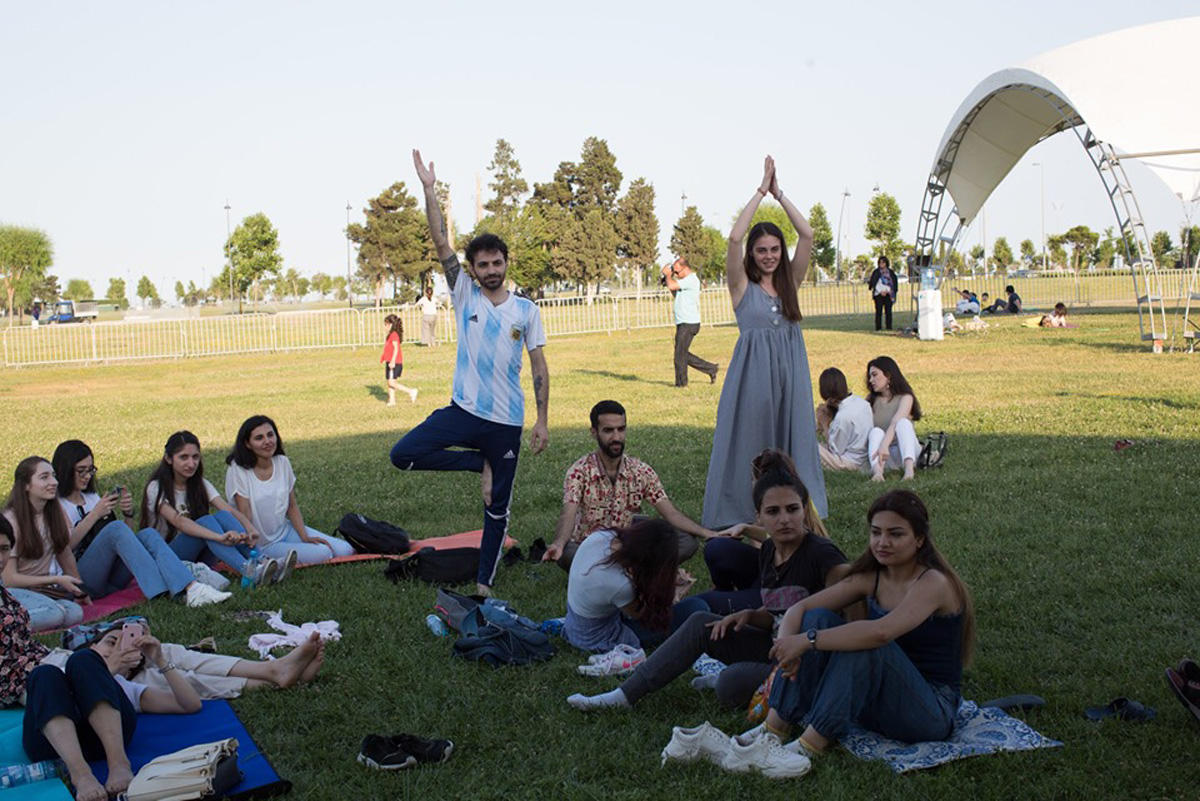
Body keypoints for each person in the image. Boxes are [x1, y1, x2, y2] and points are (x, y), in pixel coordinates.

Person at [567, 455, 847, 712]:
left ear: (803, 510)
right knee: (702, 621)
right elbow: (778, 615)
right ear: (759, 516)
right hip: (773, 645)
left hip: (810, 662)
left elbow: (849, 616)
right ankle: (624, 696)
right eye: (773, 512)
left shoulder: (822, 555)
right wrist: (749, 615)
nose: (785, 519)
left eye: (792, 509)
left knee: (729, 684)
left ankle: (740, 676)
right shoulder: (769, 551)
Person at [393, 150, 550, 597]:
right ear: (474, 271)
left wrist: (541, 420)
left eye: (496, 262)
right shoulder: (465, 295)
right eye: (482, 265)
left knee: (497, 508)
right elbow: (441, 243)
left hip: (506, 423)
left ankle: (484, 584)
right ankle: (475, 463)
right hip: (463, 412)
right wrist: (429, 190)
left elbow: (539, 366)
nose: (490, 270)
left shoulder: (527, 311)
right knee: (403, 453)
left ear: (505, 262)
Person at [743, 490, 974, 765]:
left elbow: (881, 633)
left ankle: (809, 746)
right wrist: (786, 648)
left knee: (866, 640)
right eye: (876, 532)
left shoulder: (934, 583)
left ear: (919, 540)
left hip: (929, 713)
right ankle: (773, 728)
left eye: (896, 534)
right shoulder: (873, 576)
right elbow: (799, 610)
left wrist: (807, 641)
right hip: (878, 701)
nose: (882, 542)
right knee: (818, 617)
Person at [702, 155, 828, 530]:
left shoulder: (791, 281)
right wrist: (760, 192)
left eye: (775, 249)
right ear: (752, 255)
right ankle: (748, 509)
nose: (769, 256)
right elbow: (734, 237)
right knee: (751, 441)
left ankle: (797, 509)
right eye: (762, 251)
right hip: (753, 377)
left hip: (791, 371)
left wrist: (780, 194)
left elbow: (806, 234)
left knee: (795, 438)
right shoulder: (742, 287)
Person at [22, 623, 204, 801]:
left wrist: (159, 659)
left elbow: (190, 704)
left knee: (85, 661)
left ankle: (118, 764)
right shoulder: (63, 669)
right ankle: (81, 774)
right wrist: (107, 667)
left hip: (99, 744)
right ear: (94, 644)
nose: (118, 648)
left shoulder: (126, 687)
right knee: (46, 671)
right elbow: (50, 699)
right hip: (53, 745)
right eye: (111, 641)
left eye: (128, 645)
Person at [543, 400, 718, 571]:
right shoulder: (579, 471)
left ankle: (624, 569)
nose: (616, 437)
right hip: (588, 545)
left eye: (621, 429)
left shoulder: (640, 471)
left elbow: (670, 513)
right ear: (594, 432)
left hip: (627, 540)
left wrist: (708, 533)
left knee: (687, 540)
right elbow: (569, 514)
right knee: (567, 553)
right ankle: (637, 570)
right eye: (608, 431)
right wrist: (558, 544)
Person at [52, 440, 230, 607]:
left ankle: (190, 587)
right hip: (81, 579)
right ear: (65, 470)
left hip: (111, 579)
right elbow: (64, 548)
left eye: (91, 470)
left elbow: (124, 541)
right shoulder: (57, 505)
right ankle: (164, 591)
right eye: (81, 471)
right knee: (116, 528)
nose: (87, 476)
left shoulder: (91, 498)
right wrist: (95, 514)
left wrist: (128, 515)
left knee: (147, 534)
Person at [141, 431, 279, 584]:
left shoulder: (200, 484)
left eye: (195, 457)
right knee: (206, 520)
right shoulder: (156, 487)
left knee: (222, 516)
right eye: (183, 457)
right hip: (169, 559)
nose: (191, 463)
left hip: (201, 554)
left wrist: (249, 528)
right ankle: (248, 570)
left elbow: (228, 510)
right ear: (168, 459)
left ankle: (262, 561)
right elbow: (179, 522)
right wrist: (218, 537)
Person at [224, 415, 355, 566]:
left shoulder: (282, 462)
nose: (267, 441)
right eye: (259, 438)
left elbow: (291, 506)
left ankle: (288, 554)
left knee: (345, 550)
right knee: (324, 553)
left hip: (285, 531)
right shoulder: (238, 469)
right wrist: (251, 550)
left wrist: (304, 536)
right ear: (247, 444)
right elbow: (244, 513)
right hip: (262, 544)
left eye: (270, 435)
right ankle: (267, 560)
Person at [562, 518, 679, 653]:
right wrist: (674, 594)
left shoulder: (600, 537)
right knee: (695, 607)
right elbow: (642, 616)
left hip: (575, 621)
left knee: (697, 606)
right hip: (593, 636)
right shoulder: (620, 585)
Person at [2, 456, 88, 631]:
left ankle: (15, 621)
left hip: (42, 591)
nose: (54, 482)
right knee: (55, 614)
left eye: (53, 476)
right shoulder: (12, 520)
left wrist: (79, 590)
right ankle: (7, 626)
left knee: (75, 613)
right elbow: (9, 579)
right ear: (26, 485)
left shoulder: (54, 513)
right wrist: (56, 579)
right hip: (12, 590)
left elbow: (64, 554)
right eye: (44, 477)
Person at [662, 258, 718, 387]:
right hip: (684, 321)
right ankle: (711, 369)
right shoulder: (685, 281)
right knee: (682, 354)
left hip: (688, 322)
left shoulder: (691, 279)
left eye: (676, 272)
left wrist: (668, 276)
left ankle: (681, 384)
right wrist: (668, 280)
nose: (676, 275)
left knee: (679, 356)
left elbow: (672, 284)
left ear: (685, 268)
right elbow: (675, 292)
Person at [865, 356, 922, 481]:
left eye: (875, 375)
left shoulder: (905, 397)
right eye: (870, 376)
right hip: (886, 455)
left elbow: (895, 422)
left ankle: (909, 472)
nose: (871, 380)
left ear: (888, 375)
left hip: (907, 451)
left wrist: (884, 445)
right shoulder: (871, 400)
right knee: (875, 432)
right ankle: (878, 473)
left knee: (903, 423)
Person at [814, 368, 873, 472]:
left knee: (810, 447)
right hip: (864, 456)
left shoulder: (842, 418)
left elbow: (835, 450)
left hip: (851, 463)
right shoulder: (861, 402)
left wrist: (824, 424)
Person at [381, 314, 418, 405]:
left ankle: (410, 391)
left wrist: (393, 360)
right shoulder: (391, 335)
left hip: (395, 362)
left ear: (391, 325)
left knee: (391, 382)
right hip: (389, 361)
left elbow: (396, 348)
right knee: (390, 382)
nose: (385, 327)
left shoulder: (394, 335)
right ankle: (392, 400)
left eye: (386, 324)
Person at [866, 256, 898, 331]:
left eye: (883, 262)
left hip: (888, 294)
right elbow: (874, 283)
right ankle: (878, 327)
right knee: (879, 311)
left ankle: (889, 327)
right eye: (880, 262)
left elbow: (893, 283)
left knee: (888, 312)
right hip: (879, 294)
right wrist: (880, 291)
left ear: (886, 263)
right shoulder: (876, 272)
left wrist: (889, 291)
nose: (881, 264)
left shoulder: (891, 272)